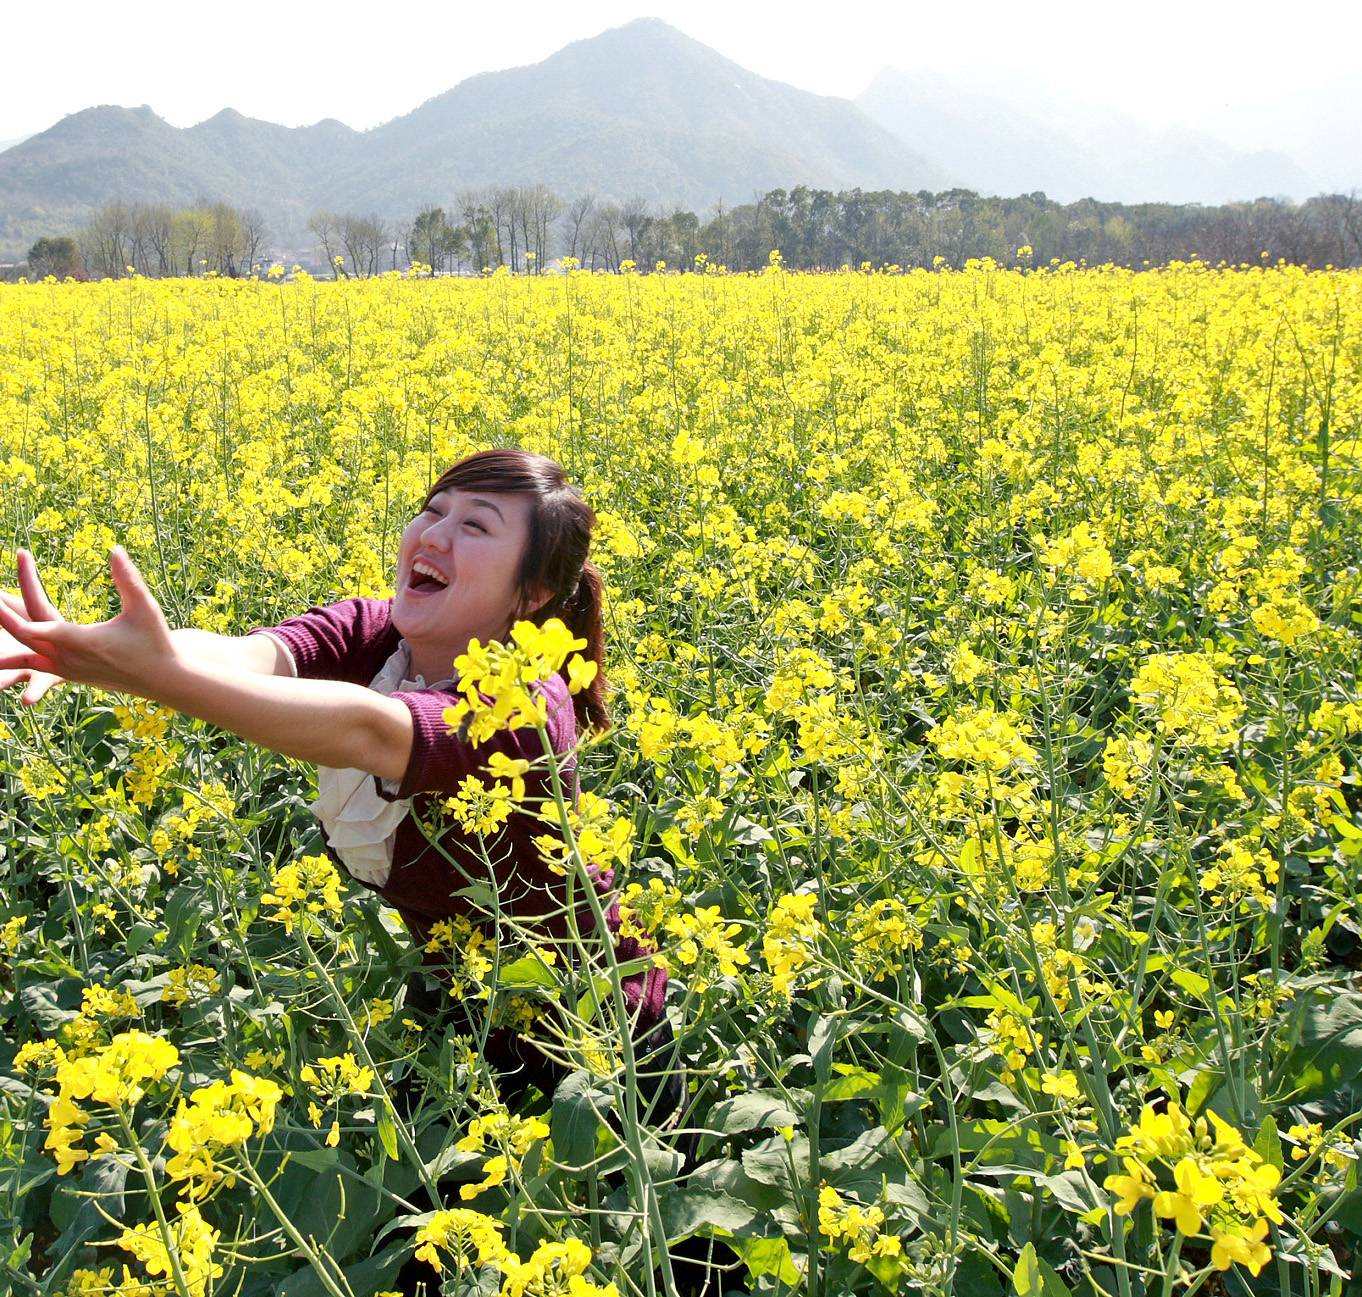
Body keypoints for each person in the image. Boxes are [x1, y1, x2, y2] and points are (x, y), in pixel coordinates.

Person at [0, 448, 672, 1109]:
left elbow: (368, 729)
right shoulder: (378, 632)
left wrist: (157, 676)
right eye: (433, 510)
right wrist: (79, 644)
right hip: (469, 1011)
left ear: (533, 592)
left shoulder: (525, 700)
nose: (434, 533)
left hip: (602, 1041)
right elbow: (246, 657)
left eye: (476, 525)